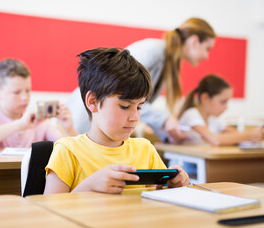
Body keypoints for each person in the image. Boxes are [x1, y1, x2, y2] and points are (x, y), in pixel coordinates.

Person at [44, 48, 189, 194]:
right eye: (125, 106)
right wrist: (89, 186)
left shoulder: (145, 149)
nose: (135, 117)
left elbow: (161, 197)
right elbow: (49, 211)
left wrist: (174, 185)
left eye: (139, 107)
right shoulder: (68, 151)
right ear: (93, 102)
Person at [66, 18, 216, 143]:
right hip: (86, 120)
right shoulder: (154, 50)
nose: (207, 56)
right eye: (207, 48)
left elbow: (138, 104)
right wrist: (165, 119)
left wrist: (166, 133)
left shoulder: (168, 62)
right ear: (194, 41)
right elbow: (122, 93)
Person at [0, 58, 77, 149]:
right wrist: (20, 124)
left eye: (27, 90)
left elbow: (67, 149)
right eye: (16, 92)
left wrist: (69, 129)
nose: (25, 97)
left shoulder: (38, 121)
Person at [178, 74, 264, 146]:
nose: (226, 107)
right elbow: (215, 140)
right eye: (223, 102)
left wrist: (259, 134)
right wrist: (249, 135)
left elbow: (238, 135)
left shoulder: (213, 119)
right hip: (184, 167)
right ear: (205, 98)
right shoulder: (191, 115)